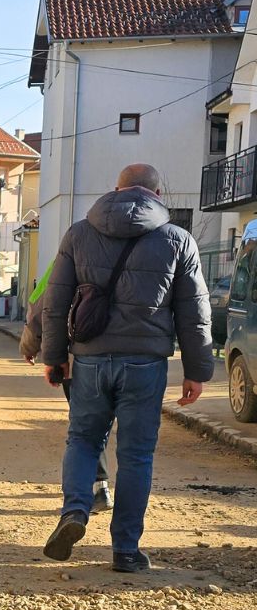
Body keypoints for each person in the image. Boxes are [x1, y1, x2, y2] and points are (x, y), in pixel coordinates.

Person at [40, 163, 213, 573]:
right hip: (145, 363)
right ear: (158, 194)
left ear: (116, 190)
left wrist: (54, 356)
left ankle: (75, 510)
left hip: (90, 359)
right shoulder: (178, 240)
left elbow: (55, 301)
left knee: (83, 440)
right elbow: (194, 312)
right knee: (136, 455)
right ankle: (126, 550)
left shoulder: (79, 233)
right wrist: (197, 370)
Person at [20, 260, 112, 514]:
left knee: (87, 427)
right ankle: (119, 497)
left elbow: (41, 304)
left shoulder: (71, 254)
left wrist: (30, 345)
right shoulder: (146, 248)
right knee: (127, 436)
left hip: (81, 359)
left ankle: (97, 488)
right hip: (135, 360)